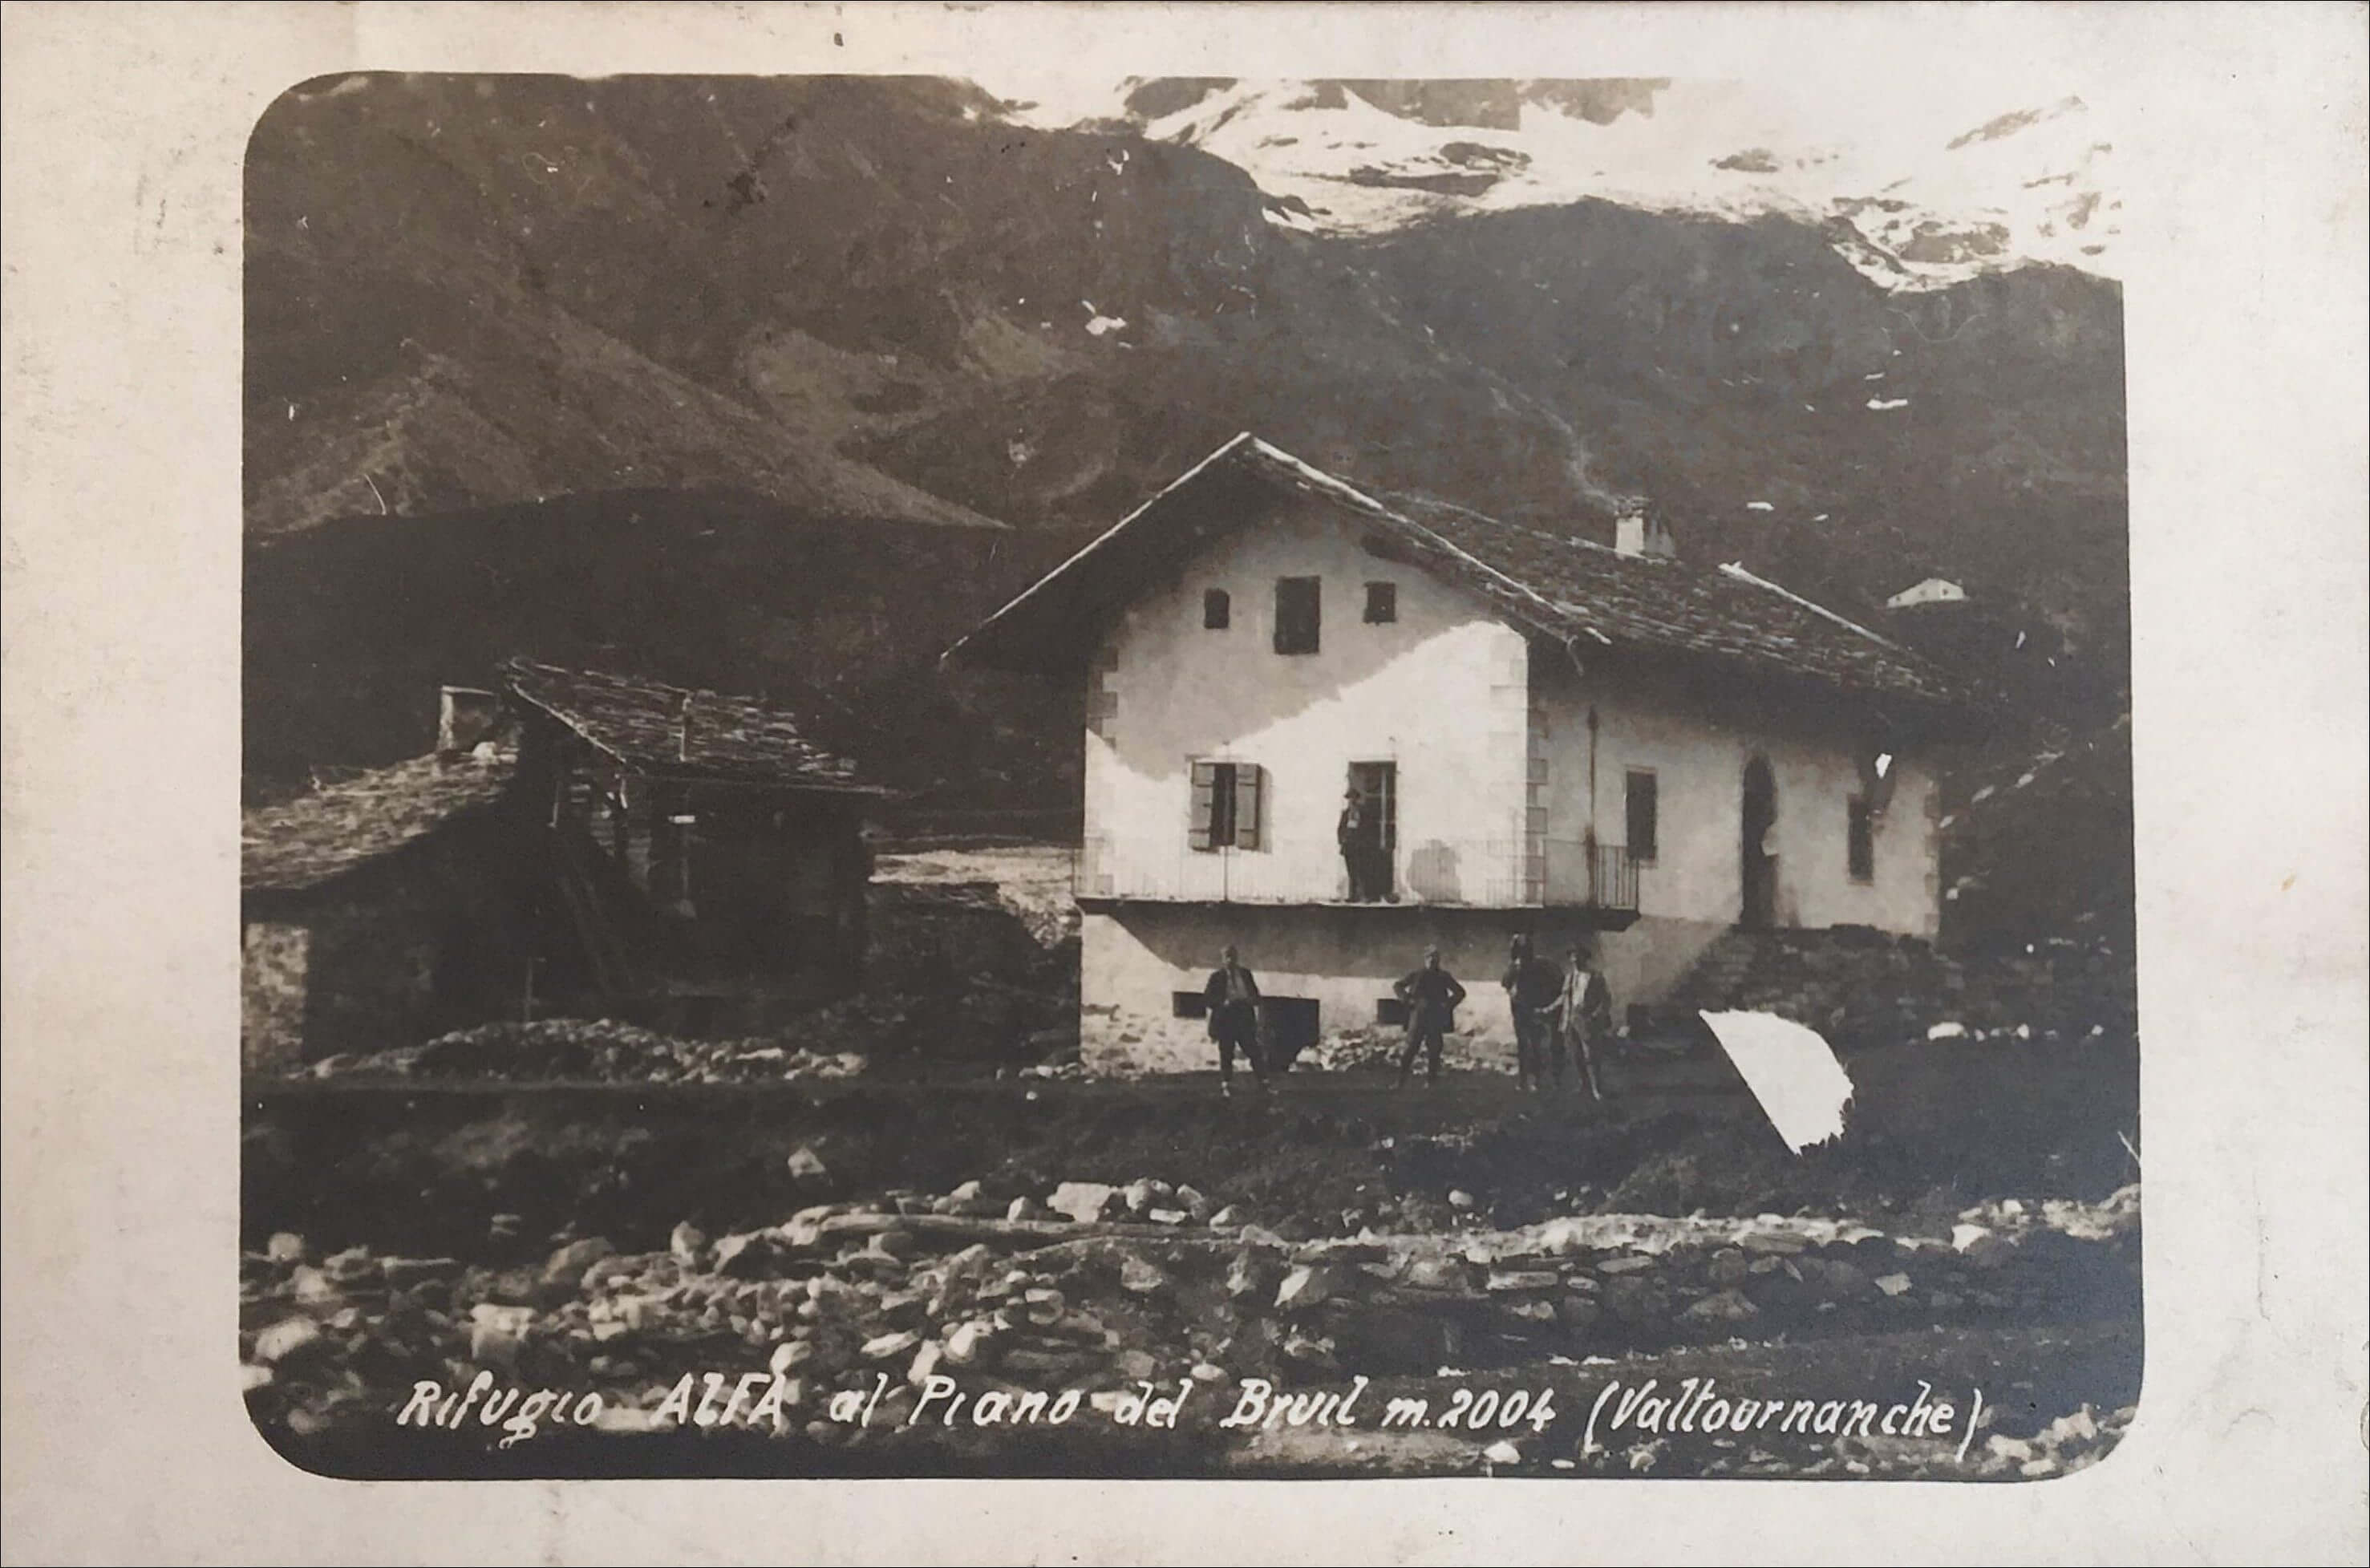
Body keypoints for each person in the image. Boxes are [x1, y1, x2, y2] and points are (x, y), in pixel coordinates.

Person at [1392, 946, 1467, 1089]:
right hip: (1418, 1017)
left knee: (1434, 1050)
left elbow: (1460, 992)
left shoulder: (1444, 976)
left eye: (1435, 958)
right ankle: (1400, 1081)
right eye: (1429, 957)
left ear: (1439, 960)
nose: (1432, 960)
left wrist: (1447, 1005)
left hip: (1435, 1018)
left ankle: (1431, 1082)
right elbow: (1398, 986)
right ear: (1425, 959)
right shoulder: (1417, 975)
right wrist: (1407, 999)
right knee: (1410, 1048)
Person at [1551, 940, 1614, 1100]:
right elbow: (1563, 998)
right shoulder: (1570, 977)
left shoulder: (1596, 977)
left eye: (1578, 957)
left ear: (1585, 959)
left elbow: (1606, 1000)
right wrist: (1548, 1009)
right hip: (1571, 1018)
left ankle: (1596, 1089)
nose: (1575, 961)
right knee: (1576, 1054)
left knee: (1591, 1056)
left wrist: (1595, 1016)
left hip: (1587, 1018)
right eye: (1573, 958)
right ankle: (1584, 1085)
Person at [1502, 934, 1564, 1092]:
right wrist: (1513, 993)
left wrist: (1543, 1006)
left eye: (1524, 952)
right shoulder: (1513, 967)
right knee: (1523, 1046)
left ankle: (1537, 1079)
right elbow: (1506, 984)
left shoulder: (1539, 966)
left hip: (1533, 1010)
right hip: (1519, 1012)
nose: (1522, 956)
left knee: (1536, 1045)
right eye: (1519, 952)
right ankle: (1523, 1079)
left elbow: (1552, 985)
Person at [1202, 945, 1266, 1096]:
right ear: (1222, 959)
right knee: (1226, 1052)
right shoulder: (1216, 977)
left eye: (1233, 956)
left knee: (1254, 1051)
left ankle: (1264, 1082)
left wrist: (1250, 1000)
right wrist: (1222, 1002)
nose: (1230, 960)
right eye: (1227, 957)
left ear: (1237, 958)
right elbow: (1207, 999)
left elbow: (1256, 995)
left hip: (1243, 1017)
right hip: (1226, 1018)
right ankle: (1227, 1084)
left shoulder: (1245, 975)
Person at [1337, 788, 1372, 901]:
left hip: (1360, 846)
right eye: (1350, 799)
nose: (1352, 801)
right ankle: (1353, 896)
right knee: (1351, 871)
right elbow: (1340, 829)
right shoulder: (1345, 814)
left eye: (1354, 798)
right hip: (1349, 847)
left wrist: (1364, 841)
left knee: (1362, 870)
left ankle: (1364, 895)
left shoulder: (1363, 813)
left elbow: (1367, 829)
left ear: (1357, 799)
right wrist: (1342, 840)